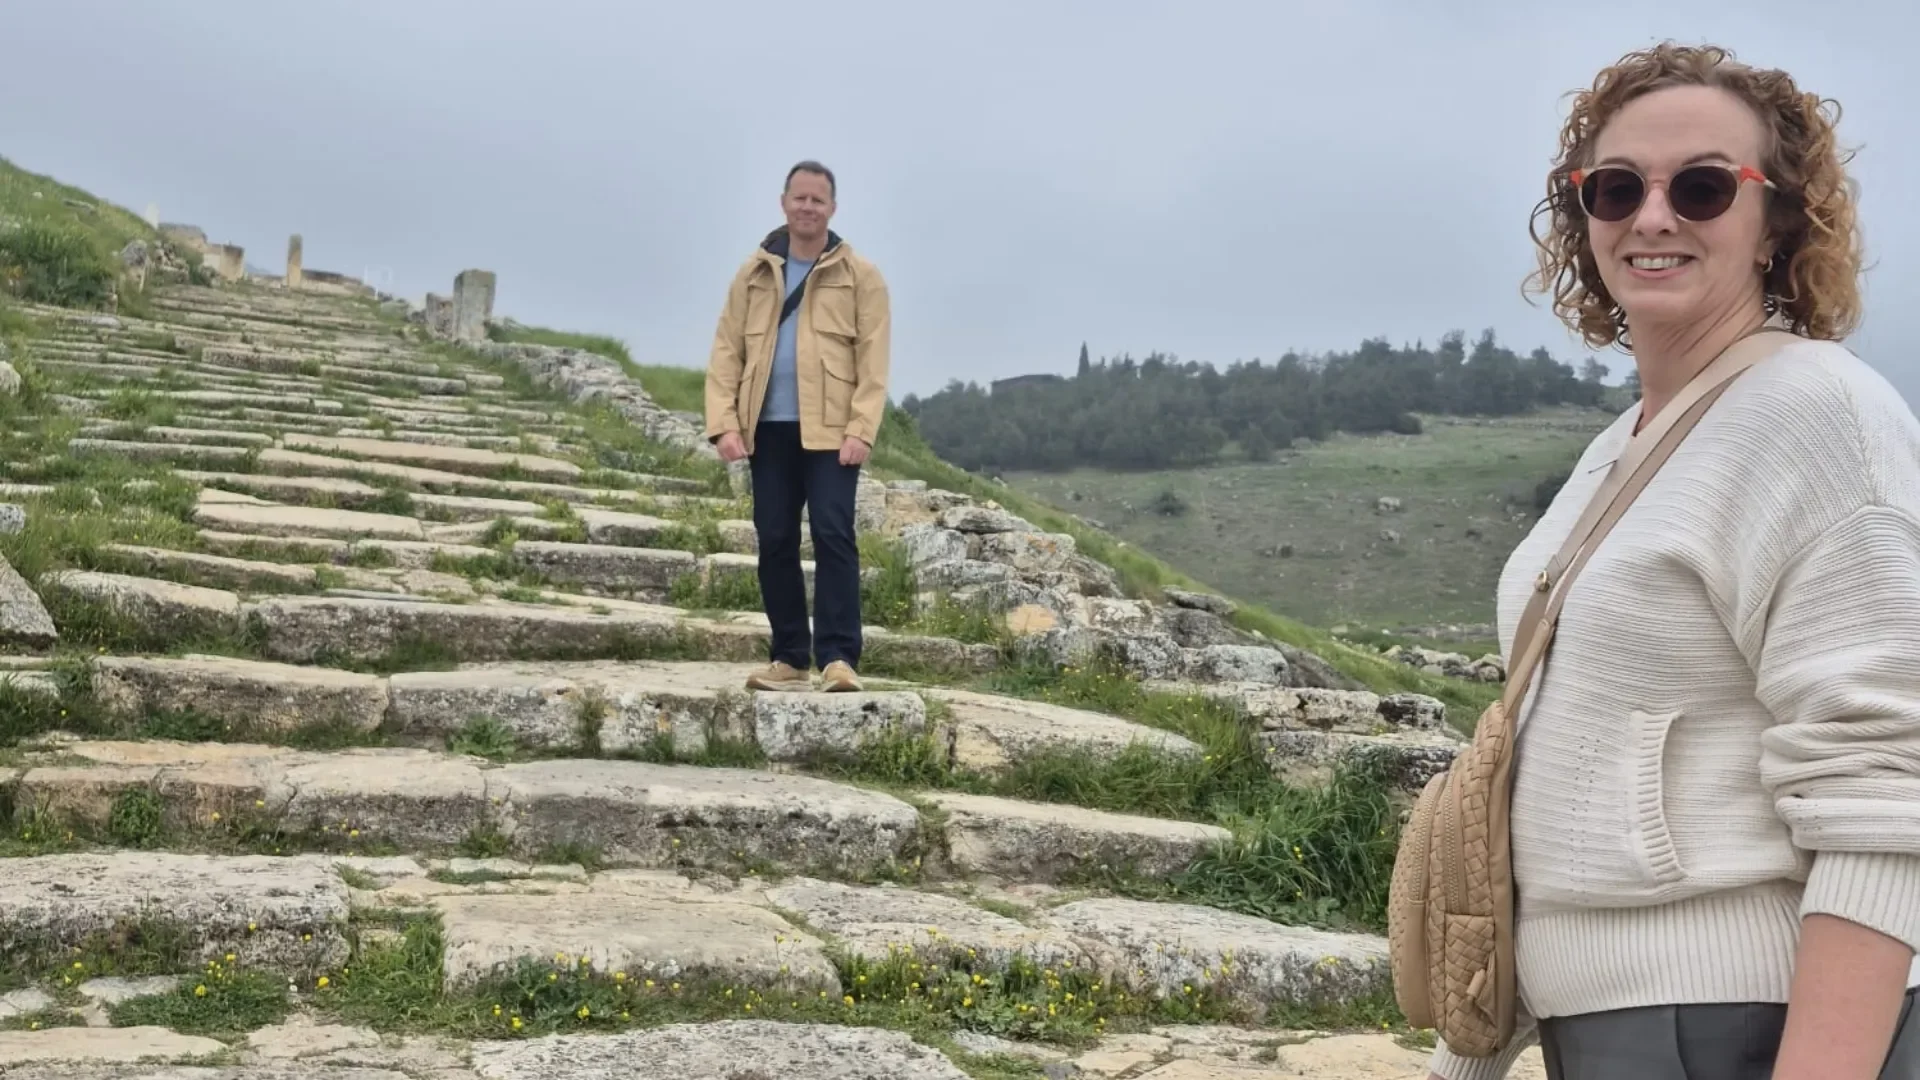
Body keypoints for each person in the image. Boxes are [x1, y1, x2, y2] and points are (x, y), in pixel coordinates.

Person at [1427, 42, 1920, 1080]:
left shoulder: (1818, 416)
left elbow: (1888, 791)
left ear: (1777, 218)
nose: (1652, 216)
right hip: (1611, 1031)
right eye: (1615, 188)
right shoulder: (1630, 443)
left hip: (1740, 1026)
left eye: (1700, 185)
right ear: (1581, 217)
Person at [702, 160, 891, 693]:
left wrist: (862, 428)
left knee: (834, 535)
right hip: (767, 427)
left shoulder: (862, 276)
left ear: (833, 209)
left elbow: (874, 362)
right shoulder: (754, 273)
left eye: (818, 200)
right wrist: (723, 424)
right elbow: (726, 350)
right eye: (799, 198)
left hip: (832, 433)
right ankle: (789, 656)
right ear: (783, 203)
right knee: (775, 538)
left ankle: (838, 659)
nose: (808, 208)